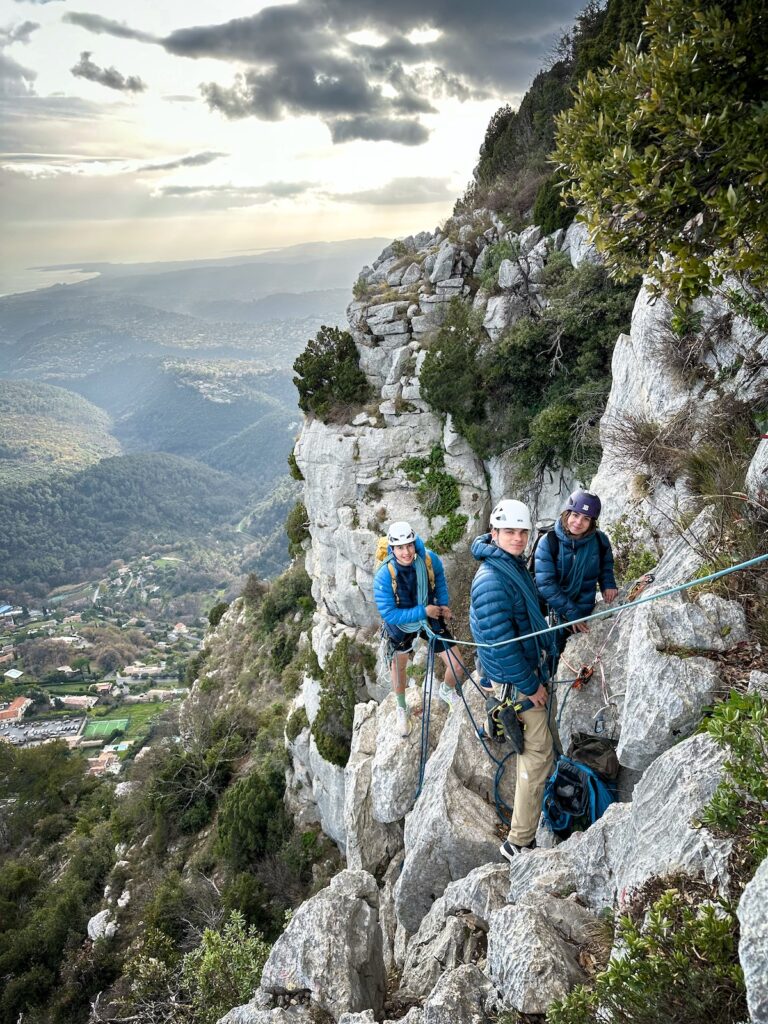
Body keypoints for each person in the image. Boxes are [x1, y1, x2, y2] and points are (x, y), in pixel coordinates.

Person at [469, 499, 560, 862]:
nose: (518, 538)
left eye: (523, 532)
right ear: (494, 533)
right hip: (516, 679)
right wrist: (531, 686)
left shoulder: (509, 565)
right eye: (510, 532)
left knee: (538, 744)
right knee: (537, 753)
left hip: (521, 670)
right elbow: (502, 646)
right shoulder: (491, 581)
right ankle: (518, 842)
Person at [374, 520, 471, 738]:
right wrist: (423, 611)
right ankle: (401, 707)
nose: (406, 552)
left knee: (457, 666)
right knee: (398, 668)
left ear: (414, 542)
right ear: (391, 549)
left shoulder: (428, 559)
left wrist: (443, 605)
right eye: (400, 547)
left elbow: (440, 580)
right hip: (402, 624)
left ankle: (446, 691)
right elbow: (389, 614)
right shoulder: (384, 575)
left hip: (430, 615)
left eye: (409, 545)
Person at [534, 490, 618, 654]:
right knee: (554, 652)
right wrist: (571, 612)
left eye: (586, 518)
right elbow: (546, 584)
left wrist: (608, 583)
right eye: (575, 515)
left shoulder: (599, 541)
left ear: (592, 522)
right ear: (567, 514)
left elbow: (606, 565)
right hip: (555, 610)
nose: (579, 522)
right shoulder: (549, 542)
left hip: (585, 608)